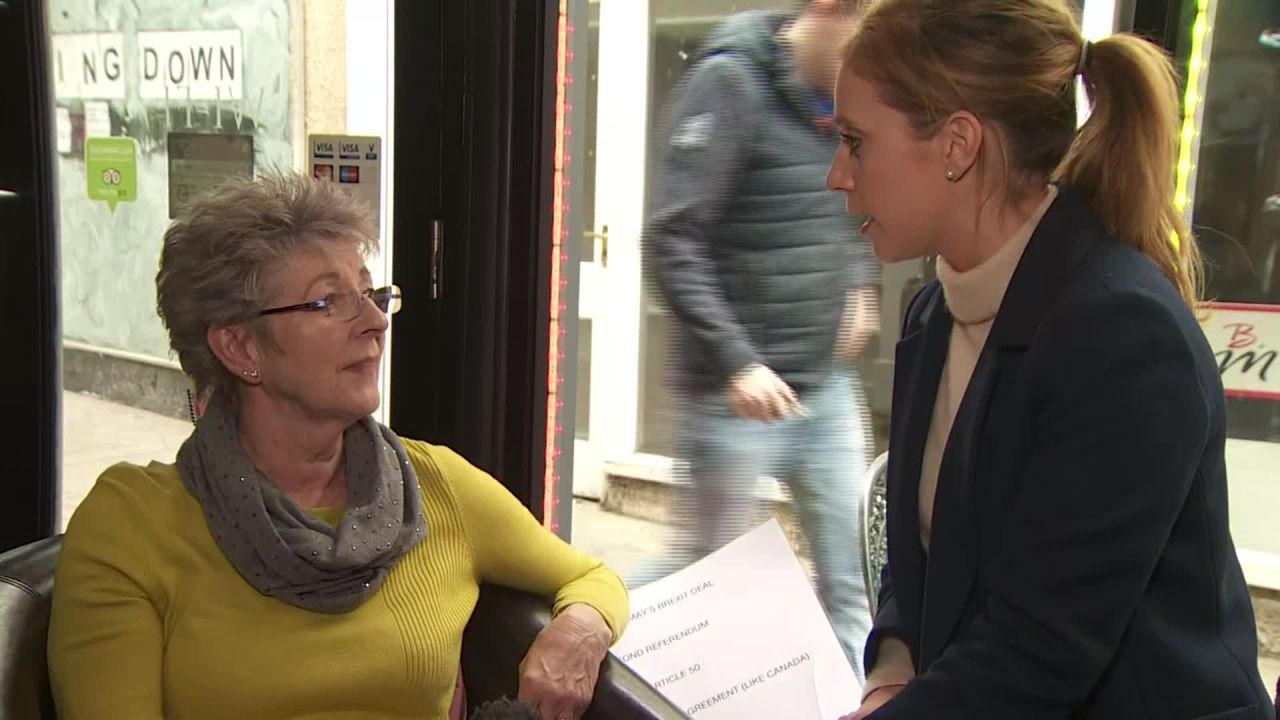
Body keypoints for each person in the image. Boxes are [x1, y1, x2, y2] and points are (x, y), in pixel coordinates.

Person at [825, 1, 1276, 718]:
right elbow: (914, 575)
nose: (836, 176)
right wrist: (890, 672)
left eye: (855, 141)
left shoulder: (1123, 337)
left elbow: (1039, 650)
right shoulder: (933, 315)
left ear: (958, 145)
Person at [47, 173, 629, 720]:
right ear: (240, 349)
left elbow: (595, 579)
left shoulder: (437, 486)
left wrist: (578, 633)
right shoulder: (130, 526)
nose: (375, 322)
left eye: (371, 293)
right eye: (327, 301)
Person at [640, 0, 878, 680]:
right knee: (698, 577)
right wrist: (736, 362)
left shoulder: (838, 104)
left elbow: (848, 204)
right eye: (870, 37)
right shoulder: (731, 83)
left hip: (825, 389)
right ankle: (585, 628)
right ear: (831, 10)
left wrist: (859, 280)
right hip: (735, 400)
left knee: (850, 583)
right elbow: (673, 237)